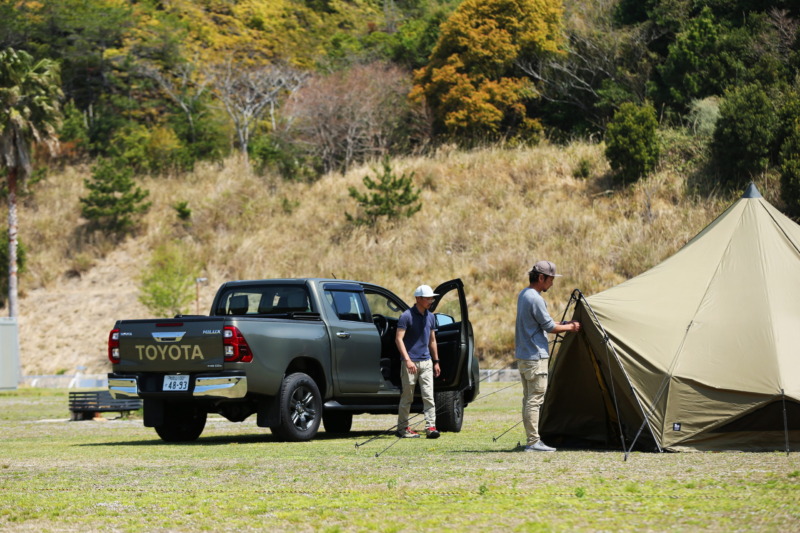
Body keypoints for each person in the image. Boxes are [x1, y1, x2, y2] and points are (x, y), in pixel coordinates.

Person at [515, 260, 581, 452]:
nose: (552, 283)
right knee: (535, 399)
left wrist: (563, 322)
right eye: (551, 279)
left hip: (525, 356)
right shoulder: (536, 298)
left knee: (529, 398)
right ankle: (534, 442)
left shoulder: (523, 295)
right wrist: (571, 327)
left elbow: (542, 322)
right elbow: (550, 327)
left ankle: (532, 440)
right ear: (541, 278)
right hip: (535, 357)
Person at [395, 284, 441, 439]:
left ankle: (431, 427)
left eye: (432, 298)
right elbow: (398, 339)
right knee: (407, 397)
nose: (431, 301)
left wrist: (436, 361)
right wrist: (407, 360)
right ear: (418, 299)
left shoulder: (431, 317)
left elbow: (432, 340)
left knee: (429, 396)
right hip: (410, 363)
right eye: (428, 298)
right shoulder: (406, 316)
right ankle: (402, 428)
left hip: (427, 362)